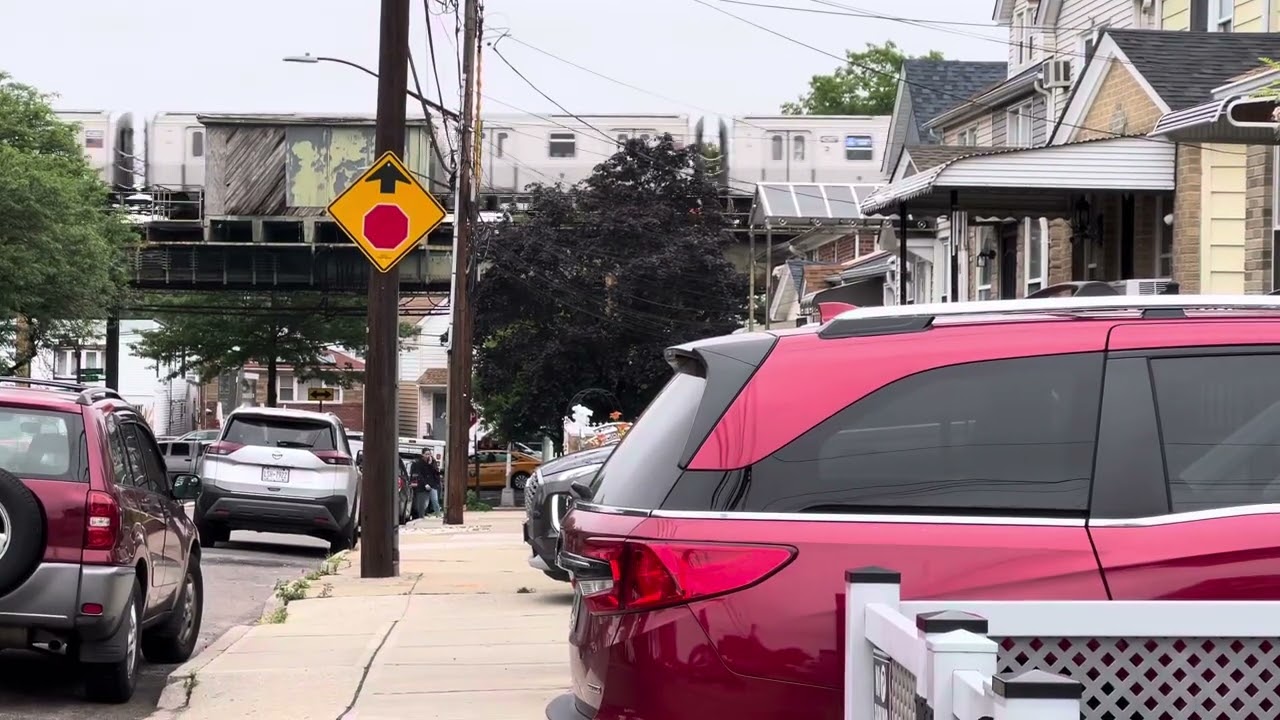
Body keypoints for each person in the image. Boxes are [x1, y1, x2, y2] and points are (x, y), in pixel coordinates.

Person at [410, 449, 442, 517]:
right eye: (426, 454)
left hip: (432, 484)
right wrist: (425, 484)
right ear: (423, 455)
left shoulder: (433, 462)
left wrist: (431, 465)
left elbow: (436, 472)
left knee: (435, 500)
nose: (428, 456)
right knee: (423, 503)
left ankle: (438, 514)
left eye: (429, 454)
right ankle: (421, 516)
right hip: (422, 485)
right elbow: (419, 474)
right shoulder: (418, 463)